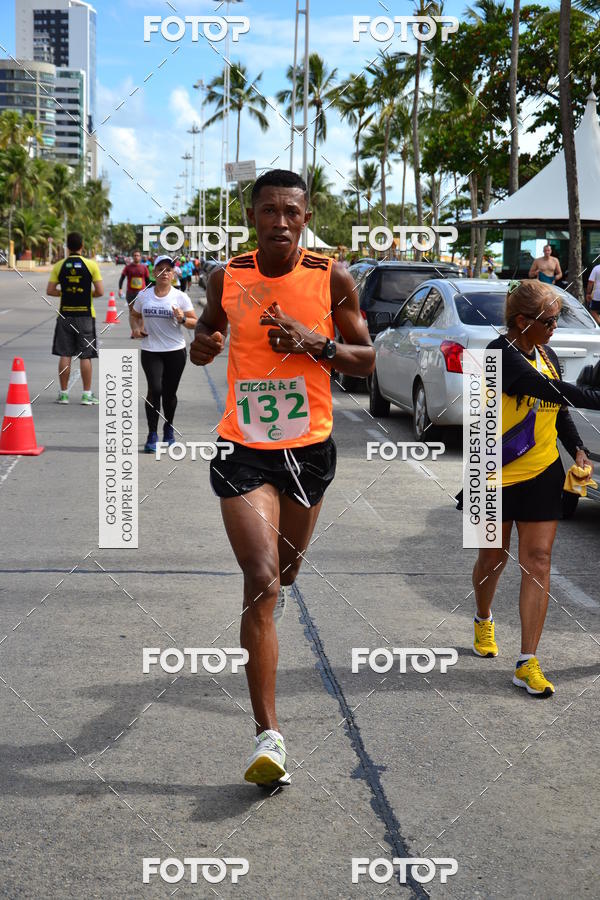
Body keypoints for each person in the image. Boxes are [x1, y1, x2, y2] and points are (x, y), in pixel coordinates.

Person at [190, 169, 375, 785]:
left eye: (291, 211)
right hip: (243, 448)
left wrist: (315, 345)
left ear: (306, 215)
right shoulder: (229, 275)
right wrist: (204, 345)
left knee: (287, 570)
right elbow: (207, 329)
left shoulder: (332, 278)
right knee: (262, 578)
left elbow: (368, 359)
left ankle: (274, 591)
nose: (279, 221)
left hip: (310, 451)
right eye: (268, 210)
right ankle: (268, 736)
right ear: (252, 215)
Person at [472, 279, 600, 697]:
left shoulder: (547, 353)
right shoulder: (498, 355)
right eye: (549, 321)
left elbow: (556, 408)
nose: (555, 328)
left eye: (557, 319)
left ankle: (527, 661)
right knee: (493, 558)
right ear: (522, 321)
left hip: (542, 469)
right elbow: (542, 389)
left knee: (539, 560)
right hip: (491, 470)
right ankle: (483, 617)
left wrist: (577, 448)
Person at [131, 255, 197, 452]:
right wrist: (135, 328)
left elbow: (195, 322)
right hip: (151, 350)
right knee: (155, 389)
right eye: (160, 269)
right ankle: (152, 434)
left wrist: (183, 318)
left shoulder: (180, 296)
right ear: (154, 272)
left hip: (175, 351)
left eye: (168, 269)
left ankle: (169, 427)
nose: (164, 273)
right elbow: (134, 315)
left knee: (169, 394)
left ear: (173, 274)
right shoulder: (144, 295)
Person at [47, 231, 104, 405]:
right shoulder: (91, 265)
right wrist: (86, 294)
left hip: (65, 314)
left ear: (67, 247)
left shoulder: (59, 266)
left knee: (65, 353)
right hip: (86, 315)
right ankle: (87, 394)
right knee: (85, 355)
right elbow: (100, 291)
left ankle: (63, 394)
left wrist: (65, 292)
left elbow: (50, 290)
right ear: (82, 246)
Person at [119, 249, 151, 337]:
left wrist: (149, 291)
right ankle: (134, 331)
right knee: (132, 312)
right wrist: (120, 289)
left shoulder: (144, 267)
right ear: (133, 257)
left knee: (142, 312)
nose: (136, 257)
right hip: (131, 293)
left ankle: (141, 330)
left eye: (138, 255)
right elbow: (122, 278)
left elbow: (148, 281)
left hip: (142, 293)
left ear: (140, 257)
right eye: (135, 255)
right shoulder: (128, 267)